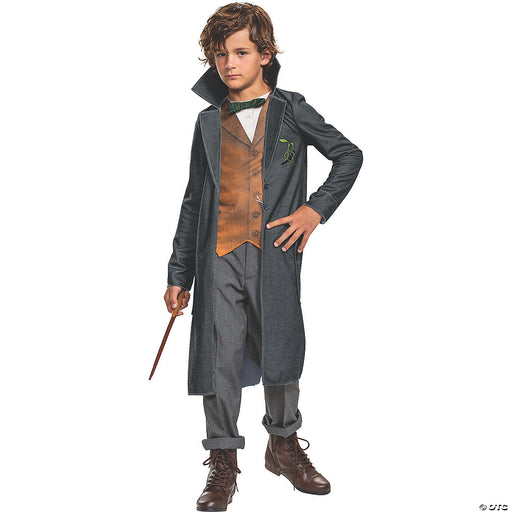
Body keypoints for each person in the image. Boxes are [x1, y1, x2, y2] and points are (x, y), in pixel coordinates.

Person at [163, 3, 363, 510]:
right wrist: (179, 272)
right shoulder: (207, 123)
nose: (229, 64)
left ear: (265, 55)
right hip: (218, 257)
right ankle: (223, 461)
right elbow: (193, 200)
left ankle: (284, 444)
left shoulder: (292, 109)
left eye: (241, 52)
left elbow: (348, 155)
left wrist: (314, 210)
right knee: (218, 358)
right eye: (220, 55)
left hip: (274, 253)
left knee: (281, 347)